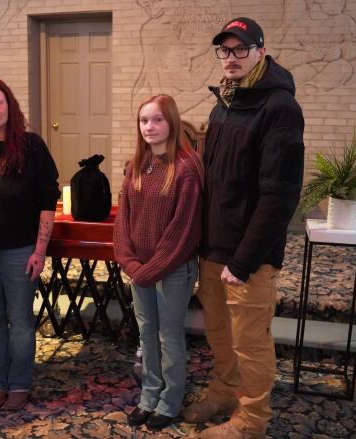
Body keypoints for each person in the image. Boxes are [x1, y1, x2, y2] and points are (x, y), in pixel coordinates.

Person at [182, 18, 305, 438]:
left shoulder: (280, 108)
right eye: (224, 50)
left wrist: (245, 259)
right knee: (218, 333)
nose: (230, 58)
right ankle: (223, 392)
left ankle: (252, 422)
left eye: (240, 49)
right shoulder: (226, 102)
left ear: (260, 50)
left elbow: (280, 195)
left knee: (250, 344)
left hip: (247, 258)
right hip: (214, 248)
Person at [0, 78, 60, 411]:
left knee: (19, 320)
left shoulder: (32, 146)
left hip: (20, 250)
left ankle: (19, 383)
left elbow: (49, 200)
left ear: (10, 105)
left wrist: (39, 250)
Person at [114, 94, 203, 430]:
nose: (149, 127)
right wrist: (130, 263)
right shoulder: (138, 164)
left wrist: (146, 272)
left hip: (173, 271)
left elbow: (183, 232)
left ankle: (170, 400)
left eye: (157, 120)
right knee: (146, 335)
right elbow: (124, 220)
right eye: (143, 121)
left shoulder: (186, 167)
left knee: (169, 337)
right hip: (142, 271)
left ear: (172, 122)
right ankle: (149, 396)